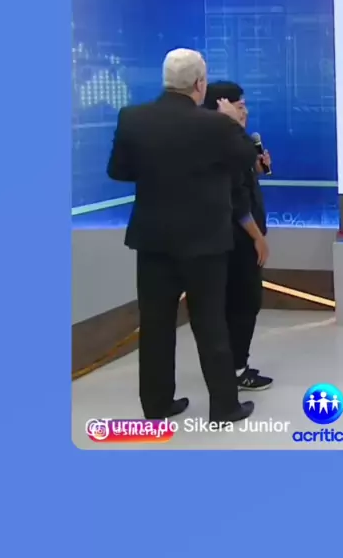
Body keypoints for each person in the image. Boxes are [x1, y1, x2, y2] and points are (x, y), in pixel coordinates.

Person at [107, 49, 258, 426]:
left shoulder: (133, 118)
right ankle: (224, 407)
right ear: (199, 83)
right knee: (210, 323)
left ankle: (156, 405)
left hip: (153, 239)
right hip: (205, 240)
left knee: (155, 325)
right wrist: (230, 122)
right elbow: (245, 159)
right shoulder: (216, 125)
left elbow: (119, 171)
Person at [203, 82, 273, 391]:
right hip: (237, 239)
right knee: (243, 303)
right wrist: (257, 237)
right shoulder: (224, 145)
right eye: (238, 106)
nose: (245, 111)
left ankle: (233, 365)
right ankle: (235, 368)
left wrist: (256, 168)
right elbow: (236, 201)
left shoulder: (239, 144)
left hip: (238, 237)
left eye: (244, 105)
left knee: (241, 303)